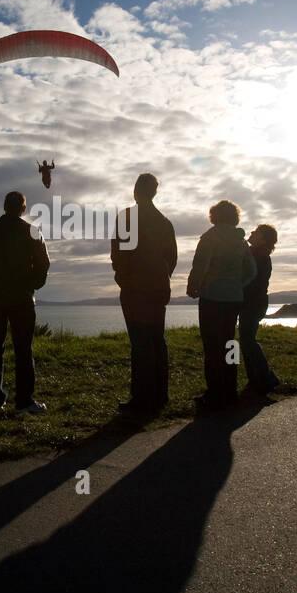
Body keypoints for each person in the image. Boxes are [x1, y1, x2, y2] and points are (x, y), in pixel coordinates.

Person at [0, 191, 50, 414]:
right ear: (23, 208)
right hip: (23, 299)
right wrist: (32, 285)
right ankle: (24, 401)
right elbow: (43, 263)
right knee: (24, 349)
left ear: (5, 206)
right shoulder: (31, 232)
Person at [110, 173, 178, 413]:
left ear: (136, 191)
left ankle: (141, 398)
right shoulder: (164, 222)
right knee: (157, 339)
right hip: (158, 286)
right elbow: (172, 258)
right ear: (154, 193)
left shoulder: (128, 218)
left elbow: (120, 254)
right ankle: (160, 394)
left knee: (140, 342)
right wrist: (161, 276)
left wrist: (124, 279)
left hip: (136, 288)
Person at [186, 199, 256, 410]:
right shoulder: (242, 242)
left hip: (212, 297)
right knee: (229, 343)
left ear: (214, 216)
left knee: (211, 345)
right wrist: (237, 285)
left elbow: (201, 265)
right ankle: (230, 389)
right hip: (234, 298)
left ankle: (214, 393)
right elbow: (252, 271)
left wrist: (194, 286)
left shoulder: (210, 237)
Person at [240, 224, 281, 396]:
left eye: (255, 232)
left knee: (247, 340)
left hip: (253, 303)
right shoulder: (258, 253)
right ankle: (256, 380)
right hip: (255, 302)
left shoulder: (258, 255)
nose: (251, 233)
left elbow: (249, 279)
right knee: (246, 339)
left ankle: (266, 377)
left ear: (263, 239)